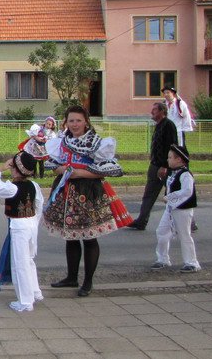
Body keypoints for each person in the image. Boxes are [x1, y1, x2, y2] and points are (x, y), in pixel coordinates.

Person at [43, 105, 132, 297]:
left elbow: (109, 170)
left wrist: (78, 173)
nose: (74, 124)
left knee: (89, 237)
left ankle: (88, 281)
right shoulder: (62, 140)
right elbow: (54, 164)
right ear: (66, 122)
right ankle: (72, 277)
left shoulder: (96, 143)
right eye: (71, 120)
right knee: (70, 236)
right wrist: (62, 171)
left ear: (86, 121)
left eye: (78, 120)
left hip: (88, 192)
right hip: (66, 190)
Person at [0, 151, 44, 312]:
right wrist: (34, 222)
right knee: (30, 259)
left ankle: (25, 301)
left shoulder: (12, 188)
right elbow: (39, 205)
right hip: (31, 224)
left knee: (20, 263)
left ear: (16, 169)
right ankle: (35, 292)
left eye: (12, 166)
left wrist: (0, 169)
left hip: (19, 226)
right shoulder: (34, 186)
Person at [128, 103, 178, 231]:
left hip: (164, 167)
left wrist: (165, 166)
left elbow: (171, 146)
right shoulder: (159, 126)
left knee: (173, 194)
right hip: (155, 165)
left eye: (154, 110)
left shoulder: (168, 125)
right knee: (149, 194)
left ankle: (187, 221)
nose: (152, 112)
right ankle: (141, 220)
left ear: (162, 111)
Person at [151, 145, 201, 273]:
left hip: (183, 209)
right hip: (171, 208)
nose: (168, 160)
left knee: (184, 235)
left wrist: (170, 197)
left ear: (179, 160)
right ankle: (162, 259)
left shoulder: (185, 174)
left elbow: (187, 191)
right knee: (162, 232)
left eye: (170, 157)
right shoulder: (172, 173)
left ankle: (191, 262)